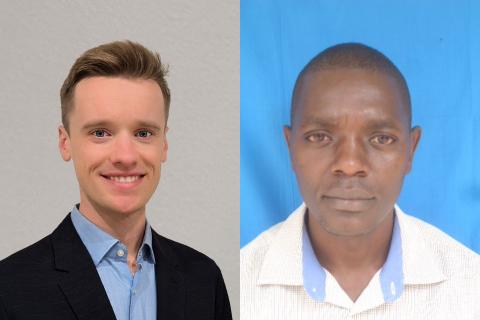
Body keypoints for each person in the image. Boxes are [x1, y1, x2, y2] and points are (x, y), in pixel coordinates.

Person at [240, 43, 480, 319]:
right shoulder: (240, 286)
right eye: (320, 136)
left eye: (381, 139)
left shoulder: (471, 286)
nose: (350, 164)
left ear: (410, 151)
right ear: (291, 148)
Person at [0, 40, 232, 320]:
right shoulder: (9, 289)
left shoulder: (204, 281)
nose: (125, 156)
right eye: (100, 133)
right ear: (65, 143)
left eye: (143, 133)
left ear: (164, 145)